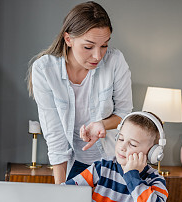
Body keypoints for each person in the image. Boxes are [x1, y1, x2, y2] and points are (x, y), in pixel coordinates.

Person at [27, 1, 133, 184]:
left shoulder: (115, 61)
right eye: (88, 47)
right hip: (75, 165)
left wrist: (102, 124)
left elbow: (125, 115)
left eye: (104, 45)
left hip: (113, 162)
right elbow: (55, 136)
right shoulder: (44, 70)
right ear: (68, 39)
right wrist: (62, 189)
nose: (98, 56)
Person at [65, 112, 168, 202]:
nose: (122, 147)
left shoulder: (155, 180)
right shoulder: (101, 168)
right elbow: (64, 192)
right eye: (121, 139)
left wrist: (132, 175)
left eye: (132, 144)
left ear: (152, 153)